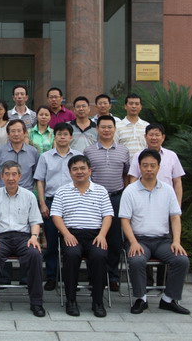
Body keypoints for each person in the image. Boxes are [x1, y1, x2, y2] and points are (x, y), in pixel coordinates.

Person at [119, 149, 191, 315]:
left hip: (162, 241)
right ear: (139, 167)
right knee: (137, 260)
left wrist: (176, 241)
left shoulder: (168, 190)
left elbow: (175, 217)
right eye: (145, 165)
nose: (149, 169)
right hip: (139, 240)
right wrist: (133, 242)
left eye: (153, 165)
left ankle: (168, 300)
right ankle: (141, 299)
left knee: (181, 260)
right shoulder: (130, 190)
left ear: (159, 167)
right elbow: (124, 220)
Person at [50, 155, 114, 318]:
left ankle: (98, 301)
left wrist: (102, 235)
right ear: (70, 172)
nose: (79, 172)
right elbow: (56, 215)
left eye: (83, 168)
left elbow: (108, 215)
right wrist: (66, 234)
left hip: (95, 235)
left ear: (89, 171)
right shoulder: (62, 191)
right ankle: (71, 300)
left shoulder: (100, 190)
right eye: (75, 169)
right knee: (72, 255)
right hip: (71, 234)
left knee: (100, 256)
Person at [0, 161, 45, 317]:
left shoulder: (29, 196)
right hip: (1, 238)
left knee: (35, 254)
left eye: (14, 174)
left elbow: (35, 221)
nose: (11, 178)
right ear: (1, 176)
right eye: (7, 174)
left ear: (20, 176)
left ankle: (36, 303)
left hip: (23, 237)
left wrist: (34, 237)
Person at [83, 115, 130, 292]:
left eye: (110, 127)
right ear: (97, 129)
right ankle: (94, 277)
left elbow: (126, 175)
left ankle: (113, 277)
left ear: (114, 129)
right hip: (94, 199)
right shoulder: (88, 151)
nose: (106, 130)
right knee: (93, 237)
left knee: (115, 240)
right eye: (103, 127)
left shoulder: (123, 151)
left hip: (117, 198)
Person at [34, 123, 83, 291]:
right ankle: (51, 277)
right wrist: (42, 203)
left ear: (71, 137)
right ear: (54, 137)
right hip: (51, 202)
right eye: (59, 134)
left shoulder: (78, 156)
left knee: (72, 242)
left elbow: (84, 180)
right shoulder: (45, 157)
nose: (62, 137)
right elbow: (40, 181)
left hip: (73, 203)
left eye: (65, 134)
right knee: (52, 243)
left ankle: (71, 278)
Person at [128, 123, 185, 204]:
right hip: (143, 200)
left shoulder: (172, 156)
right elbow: (133, 179)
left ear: (163, 137)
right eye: (151, 135)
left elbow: (177, 181)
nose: (154, 138)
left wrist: (178, 205)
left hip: (167, 200)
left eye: (157, 135)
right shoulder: (137, 156)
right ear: (145, 136)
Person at [0, 119, 39, 190]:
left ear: (25, 133)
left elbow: (37, 175)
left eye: (19, 131)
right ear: (8, 134)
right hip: (4, 192)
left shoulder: (33, 152)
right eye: (13, 131)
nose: (16, 134)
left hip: (27, 192)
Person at [116, 93, 150, 157]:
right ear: (125, 106)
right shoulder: (117, 126)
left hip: (143, 162)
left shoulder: (147, 126)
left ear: (141, 107)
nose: (134, 106)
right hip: (124, 162)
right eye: (131, 103)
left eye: (137, 104)